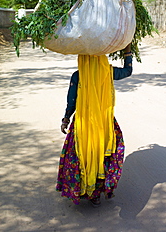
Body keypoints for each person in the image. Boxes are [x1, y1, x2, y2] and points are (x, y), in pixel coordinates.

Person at [56, 43, 133, 207]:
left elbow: (72, 101)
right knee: (102, 155)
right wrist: (127, 50)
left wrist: (66, 118)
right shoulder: (108, 71)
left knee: (83, 155)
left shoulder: (78, 75)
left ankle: (83, 190)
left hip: (83, 124)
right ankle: (96, 193)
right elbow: (128, 71)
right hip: (104, 123)